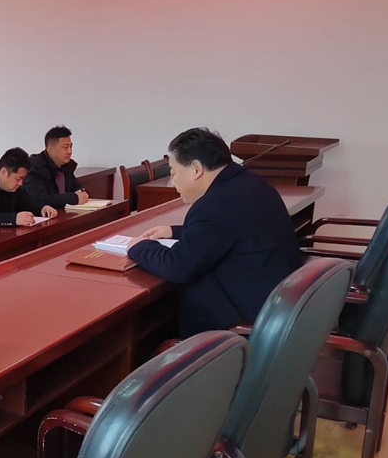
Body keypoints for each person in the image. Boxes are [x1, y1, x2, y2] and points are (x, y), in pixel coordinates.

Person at [127, 128, 303, 338]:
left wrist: (139, 247)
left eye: (174, 173)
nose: (172, 183)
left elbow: (177, 267)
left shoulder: (214, 205)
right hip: (274, 308)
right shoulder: (250, 184)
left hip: (241, 326)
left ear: (196, 169)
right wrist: (174, 231)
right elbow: (230, 231)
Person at [23, 125, 91, 209]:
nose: (70, 151)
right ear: (50, 150)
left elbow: (76, 188)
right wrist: (74, 198)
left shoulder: (67, 166)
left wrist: (82, 193)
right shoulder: (35, 169)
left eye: (70, 146)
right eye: (65, 147)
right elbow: (40, 199)